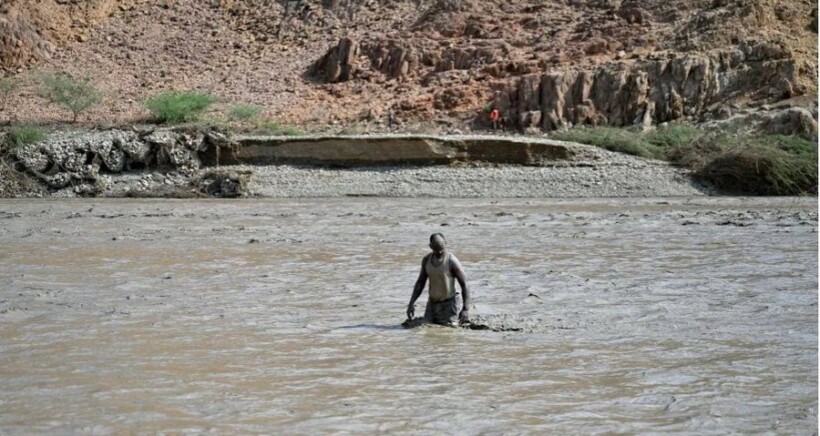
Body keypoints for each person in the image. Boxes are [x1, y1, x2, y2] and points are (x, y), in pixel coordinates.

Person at [406, 233, 471, 326]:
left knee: (449, 330)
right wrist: (411, 303)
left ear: (446, 243)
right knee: (425, 329)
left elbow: (465, 284)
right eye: (436, 249)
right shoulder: (426, 260)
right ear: (430, 246)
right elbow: (420, 282)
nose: (440, 252)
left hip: (449, 304)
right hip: (432, 305)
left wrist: (465, 309)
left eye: (442, 248)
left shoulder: (451, 261)